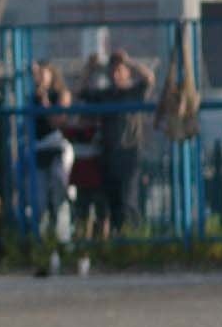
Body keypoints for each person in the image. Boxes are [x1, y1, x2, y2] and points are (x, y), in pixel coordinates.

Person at [80, 49, 155, 239]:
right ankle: (117, 239)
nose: (116, 74)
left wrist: (128, 61)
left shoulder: (133, 92)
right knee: (112, 201)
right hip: (108, 154)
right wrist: (91, 69)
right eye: (113, 71)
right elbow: (81, 92)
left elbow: (149, 78)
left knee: (127, 200)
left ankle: (132, 238)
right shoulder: (106, 95)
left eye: (120, 70)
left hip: (129, 152)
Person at [29, 62, 75, 274]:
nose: (37, 76)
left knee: (59, 198)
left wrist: (45, 101)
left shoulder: (60, 94)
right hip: (38, 153)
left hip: (57, 150)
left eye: (41, 72)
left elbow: (58, 120)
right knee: (39, 202)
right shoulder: (31, 96)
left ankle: (64, 244)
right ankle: (43, 247)